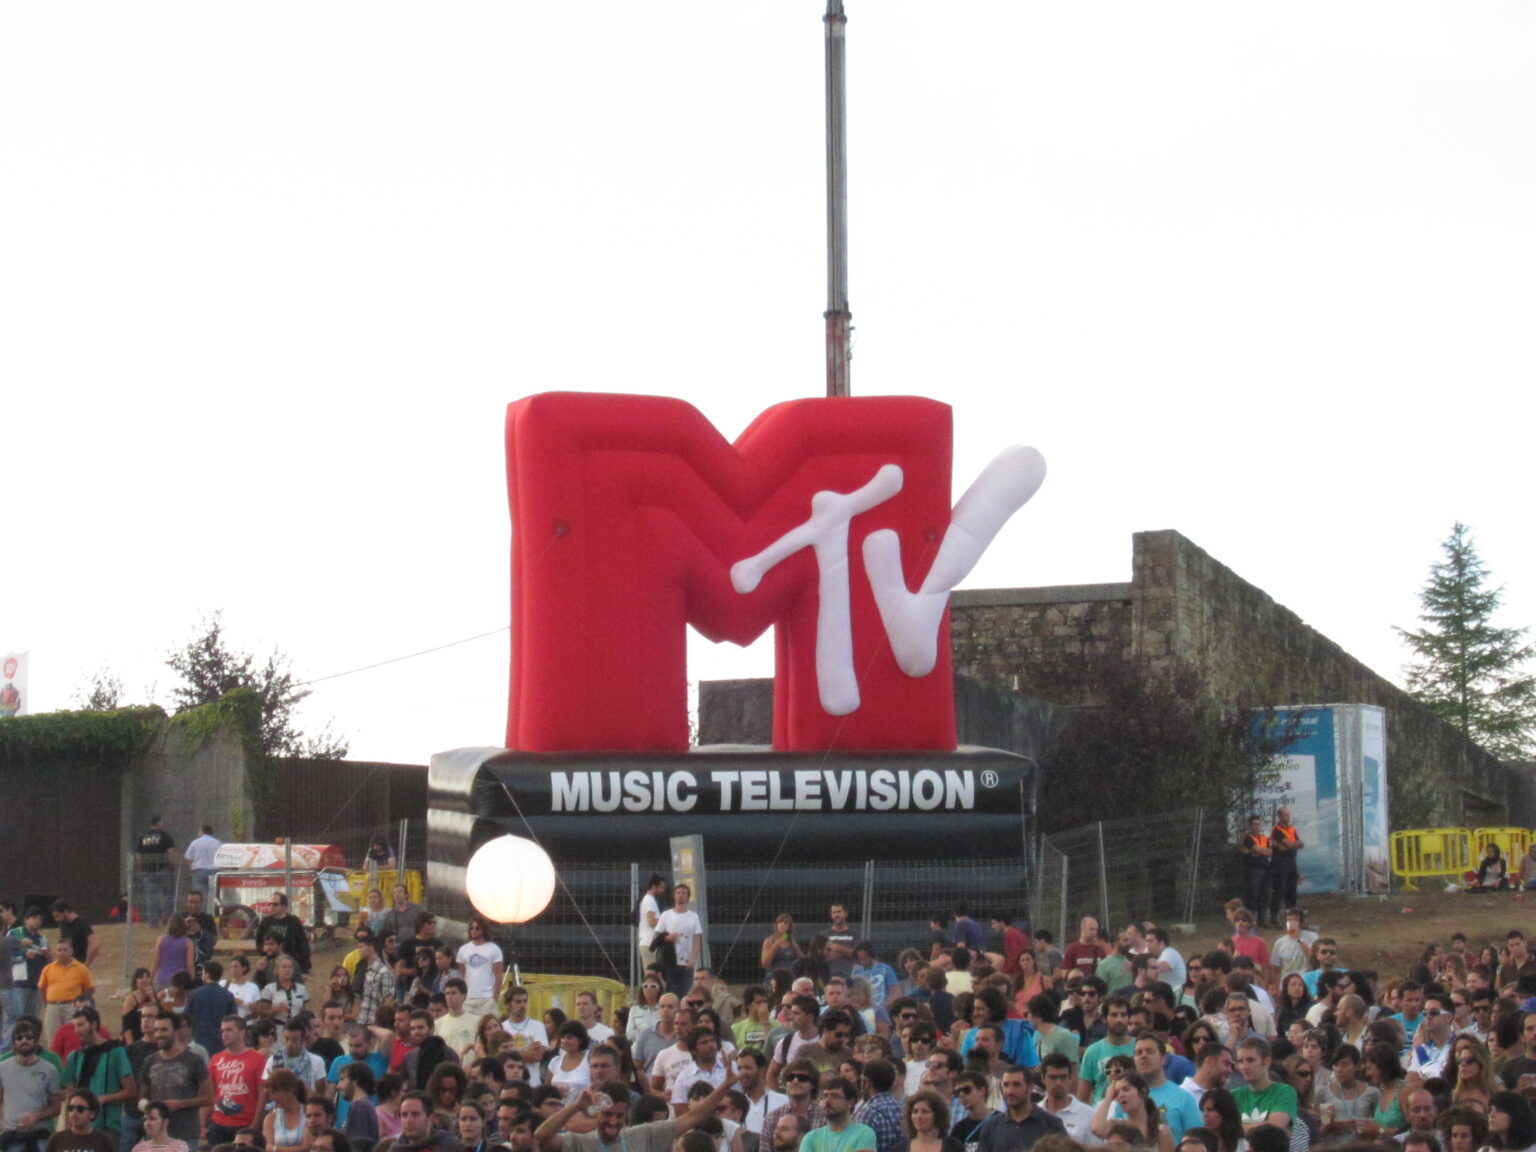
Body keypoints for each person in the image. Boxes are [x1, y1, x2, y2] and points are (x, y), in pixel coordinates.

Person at [135, 1015, 210, 1147]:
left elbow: (209, 1097)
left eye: (164, 1030)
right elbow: (142, 1097)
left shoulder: (194, 1060)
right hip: (156, 1136)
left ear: (176, 1032)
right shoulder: (150, 1061)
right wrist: (149, 1108)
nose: (159, 1034)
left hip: (186, 1134)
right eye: (156, 1030)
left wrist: (181, 1104)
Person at [59, 1008, 133, 1136]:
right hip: (80, 1126)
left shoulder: (115, 1052)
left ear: (93, 1024)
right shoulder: (75, 1057)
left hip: (107, 1126)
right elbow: (70, 1095)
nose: (76, 1030)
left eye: (80, 1025)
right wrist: (67, 1128)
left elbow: (130, 1091)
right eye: (74, 1026)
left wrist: (104, 1098)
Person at [1, 1019, 64, 1152]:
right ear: (13, 1042)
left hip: (39, 1135)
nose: (24, 1041)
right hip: (11, 1135)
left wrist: (36, 1117)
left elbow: (56, 1107)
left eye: (28, 1037)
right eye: (19, 1038)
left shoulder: (49, 1070)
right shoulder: (3, 1068)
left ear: (35, 1041)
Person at [974, 1067, 1065, 1152]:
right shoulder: (991, 1126)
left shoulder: (1051, 1125)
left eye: (1016, 1085)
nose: (1010, 1091)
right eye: (1006, 1085)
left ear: (1030, 1088)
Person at [208, 1014, 266, 1144]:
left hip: (245, 1123)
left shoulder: (258, 1059)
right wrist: (203, 1123)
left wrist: (255, 1125)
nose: (224, 1034)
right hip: (218, 1123)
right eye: (222, 1031)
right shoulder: (216, 1059)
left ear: (242, 1032)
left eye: (229, 1030)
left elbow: (262, 1095)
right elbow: (210, 1092)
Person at [801, 1075, 876, 1152]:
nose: (827, 1101)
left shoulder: (864, 1133)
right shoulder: (811, 1138)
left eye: (835, 1096)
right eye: (824, 1096)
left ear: (850, 1102)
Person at [38, 942, 94, 1045]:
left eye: (65, 950)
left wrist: (81, 1004)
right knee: (53, 1039)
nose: (62, 953)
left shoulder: (81, 968)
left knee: (74, 1037)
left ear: (71, 951)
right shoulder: (48, 969)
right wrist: (48, 1004)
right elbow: (42, 988)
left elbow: (89, 988)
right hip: (53, 1007)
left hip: (72, 1007)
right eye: (59, 950)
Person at [655, 887, 703, 998]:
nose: (680, 895)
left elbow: (697, 939)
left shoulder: (693, 917)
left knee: (684, 993)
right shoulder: (666, 915)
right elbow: (656, 936)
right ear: (674, 896)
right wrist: (667, 938)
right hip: (668, 961)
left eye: (683, 893)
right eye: (678, 892)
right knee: (668, 993)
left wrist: (693, 958)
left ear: (688, 897)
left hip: (686, 963)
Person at [454, 919, 504, 1020]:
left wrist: (495, 998)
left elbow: (499, 975)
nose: (474, 930)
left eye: (477, 928)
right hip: (468, 999)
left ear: (483, 930)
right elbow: (461, 974)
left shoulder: (494, 949)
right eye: (472, 928)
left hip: (487, 999)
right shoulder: (463, 950)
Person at [135, 819, 178, 927]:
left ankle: (153, 922)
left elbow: (138, 854)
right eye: (161, 823)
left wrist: (141, 867)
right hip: (164, 869)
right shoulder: (164, 835)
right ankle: (167, 920)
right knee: (168, 895)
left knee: (151, 897)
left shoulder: (144, 837)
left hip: (148, 870)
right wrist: (173, 864)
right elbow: (170, 851)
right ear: (158, 823)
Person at [44, 1089, 115, 1152]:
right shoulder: (57, 1139)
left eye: (80, 1109)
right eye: (71, 1108)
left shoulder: (103, 1141)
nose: (74, 1113)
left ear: (92, 1114)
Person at [254, 900, 310, 977]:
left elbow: (303, 943)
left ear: (284, 907)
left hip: (291, 959)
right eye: (270, 904)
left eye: (275, 904)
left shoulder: (293, 921)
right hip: (270, 961)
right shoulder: (266, 922)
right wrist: (265, 956)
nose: (272, 907)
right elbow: (259, 941)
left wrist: (304, 968)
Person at [1267, 811, 1302, 927]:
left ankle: (1293, 918)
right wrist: (1291, 844)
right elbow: (1287, 845)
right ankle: (1274, 918)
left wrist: (1290, 845)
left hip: (1291, 861)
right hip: (1280, 862)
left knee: (1292, 890)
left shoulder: (1291, 829)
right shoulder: (1277, 830)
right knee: (1279, 889)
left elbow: (1300, 844)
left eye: (1288, 815)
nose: (1287, 817)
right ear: (1280, 816)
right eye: (1285, 815)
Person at [897, 1088, 960, 1152]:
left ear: (937, 1115)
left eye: (924, 1111)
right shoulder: (900, 1148)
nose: (919, 1116)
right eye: (915, 1112)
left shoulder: (953, 1146)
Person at [261, 1071, 310, 1152]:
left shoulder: (309, 1113)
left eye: (274, 1093)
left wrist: (276, 1149)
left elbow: (307, 1147)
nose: (272, 1098)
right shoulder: (271, 1117)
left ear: (290, 1091)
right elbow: (267, 1147)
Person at [1238, 819, 1273, 929]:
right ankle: (1251, 920)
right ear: (1250, 826)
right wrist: (1262, 850)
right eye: (1254, 824)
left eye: (1258, 824)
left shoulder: (1264, 837)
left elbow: (1270, 852)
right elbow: (1257, 849)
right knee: (1253, 895)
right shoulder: (1248, 838)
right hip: (1253, 870)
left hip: (1266, 869)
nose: (1257, 826)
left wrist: (1261, 851)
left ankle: (1263, 919)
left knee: (1265, 894)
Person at [637, 875, 667, 974]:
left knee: (654, 974)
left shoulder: (649, 900)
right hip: (649, 943)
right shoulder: (649, 901)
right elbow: (652, 922)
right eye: (661, 887)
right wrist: (666, 919)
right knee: (651, 975)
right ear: (654, 887)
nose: (663, 890)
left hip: (650, 943)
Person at [183, 827, 222, 900]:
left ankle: (202, 906)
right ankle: (212, 906)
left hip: (199, 871)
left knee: (199, 895)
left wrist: (191, 870)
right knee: (214, 895)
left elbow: (189, 858)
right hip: (215, 872)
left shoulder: (195, 842)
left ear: (202, 832)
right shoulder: (218, 843)